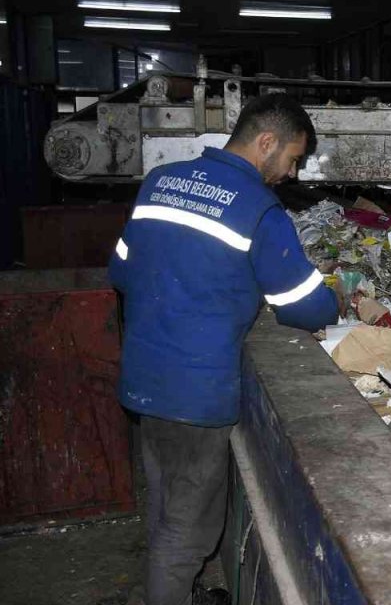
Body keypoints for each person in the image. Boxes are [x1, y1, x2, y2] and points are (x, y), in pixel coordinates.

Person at [109, 93, 337, 605]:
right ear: (265, 142)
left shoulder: (159, 183)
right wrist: (335, 296)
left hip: (144, 375)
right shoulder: (260, 208)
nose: (293, 173)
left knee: (167, 505)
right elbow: (305, 307)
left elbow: (121, 270)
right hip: (196, 391)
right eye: (293, 159)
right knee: (188, 531)